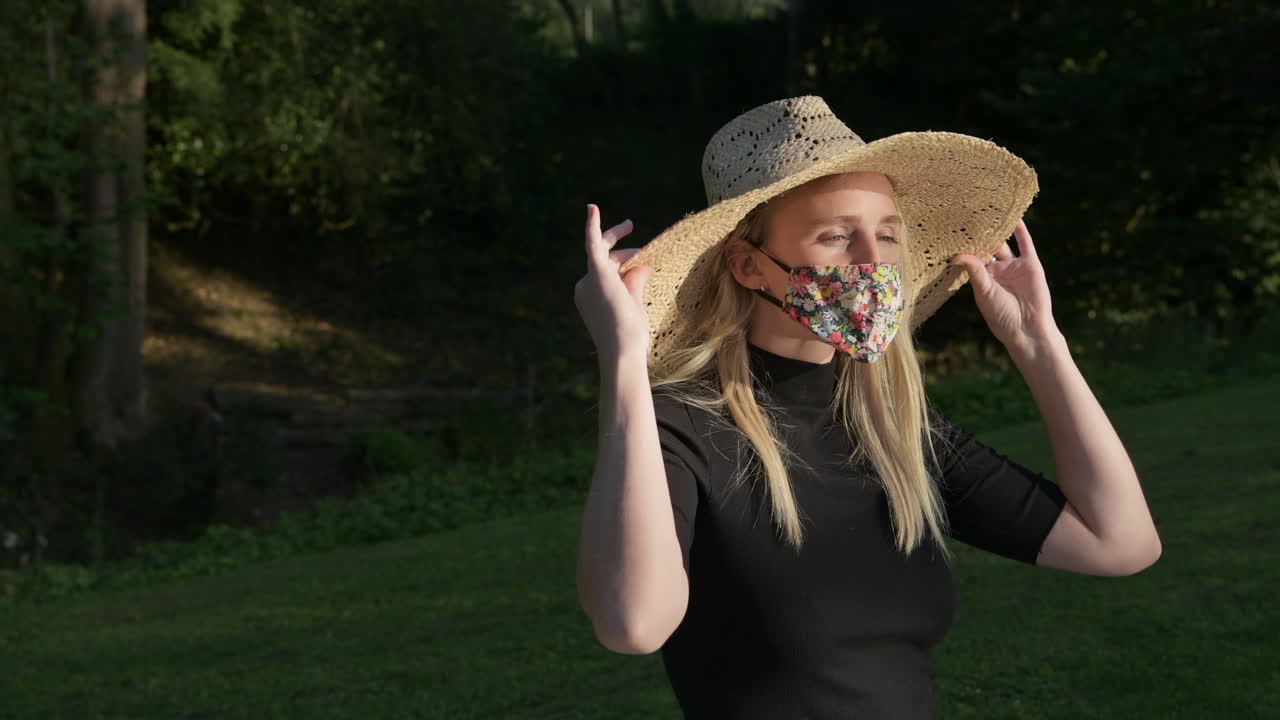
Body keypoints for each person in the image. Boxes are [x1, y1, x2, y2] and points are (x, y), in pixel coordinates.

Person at [574, 96, 1161, 719]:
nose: (874, 262)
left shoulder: (892, 430)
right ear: (748, 266)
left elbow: (1119, 543)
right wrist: (625, 361)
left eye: (886, 234)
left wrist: (1039, 344)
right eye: (836, 236)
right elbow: (633, 623)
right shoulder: (684, 426)